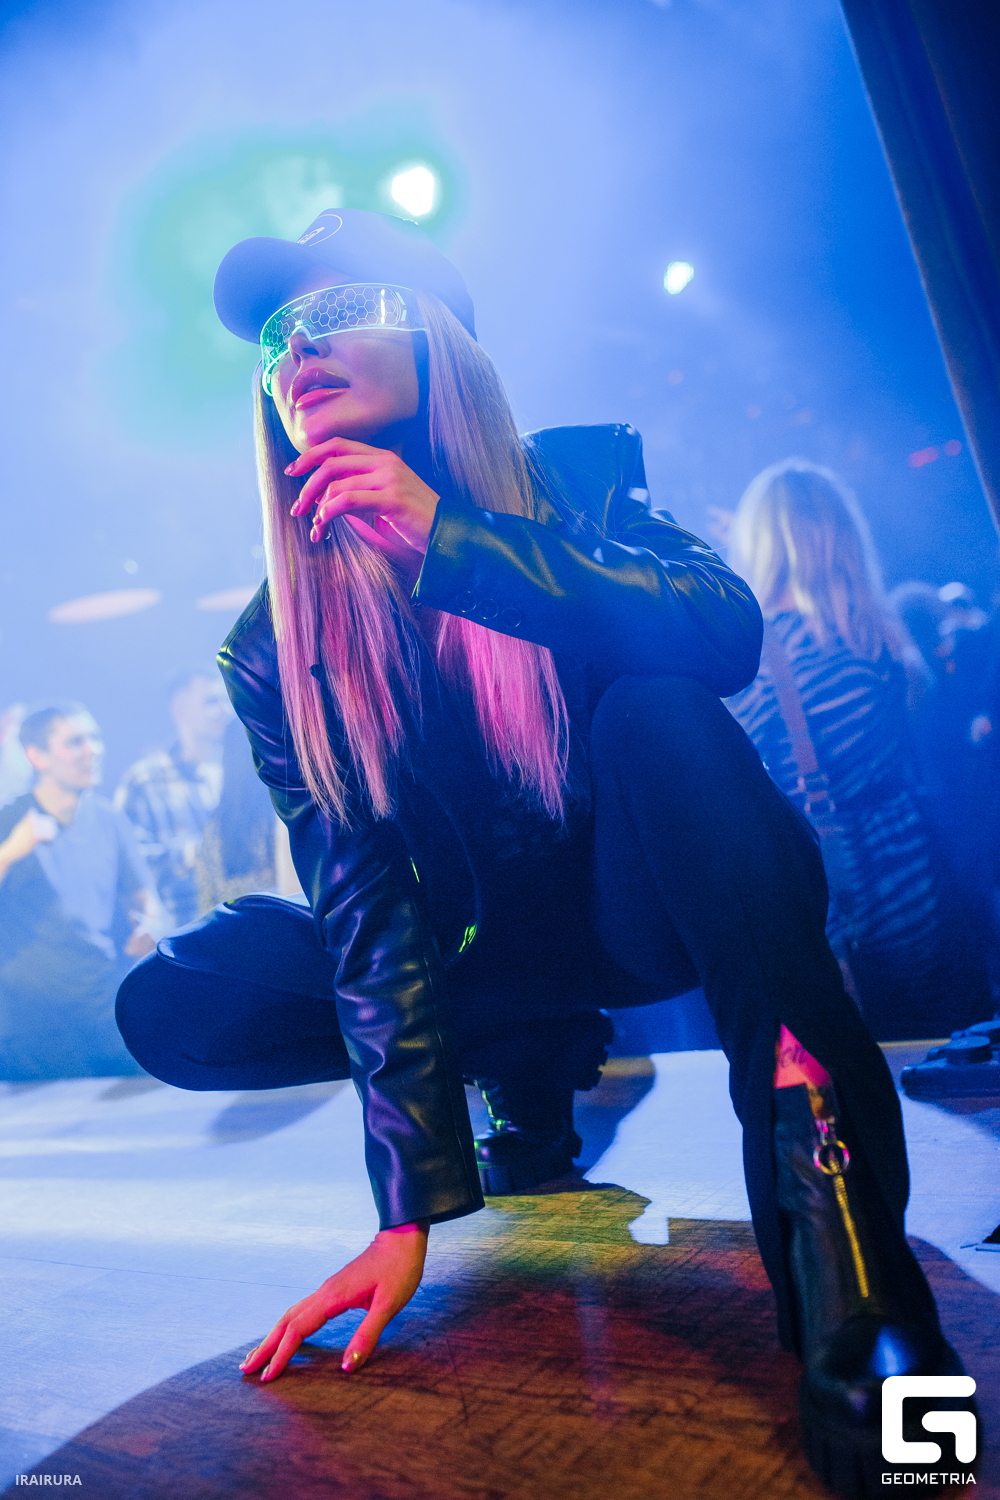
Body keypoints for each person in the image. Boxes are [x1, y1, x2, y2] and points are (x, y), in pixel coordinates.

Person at [115, 209, 972, 1499]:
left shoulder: (578, 485)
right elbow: (365, 902)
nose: (300, 352)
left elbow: (723, 631)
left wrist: (454, 546)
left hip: (632, 914)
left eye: (341, 313)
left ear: (438, 341)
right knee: (184, 994)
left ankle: (853, 1269)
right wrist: (407, 1209)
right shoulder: (271, 641)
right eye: (281, 337)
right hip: (476, 962)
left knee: (661, 710)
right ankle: (521, 1068)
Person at [726, 462, 988, 1041]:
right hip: (927, 877)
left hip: (844, 902)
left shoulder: (758, 657)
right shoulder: (875, 635)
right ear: (838, 532)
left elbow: (758, 798)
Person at [0, 703, 162, 1078]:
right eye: (75, 742)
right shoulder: (10, 819)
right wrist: (10, 851)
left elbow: (145, 897)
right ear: (37, 756)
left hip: (100, 1003)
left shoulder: (109, 818)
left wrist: (150, 924)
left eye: (94, 739)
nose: (91, 750)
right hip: (32, 1020)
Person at [114, 666, 233, 925]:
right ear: (180, 712)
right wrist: (193, 853)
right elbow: (126, 866)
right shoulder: (144, 780)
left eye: (226, 700)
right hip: (184, 930)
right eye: (211, 702)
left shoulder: (241, 773)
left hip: (243, 926)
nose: (225, 710)